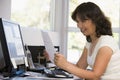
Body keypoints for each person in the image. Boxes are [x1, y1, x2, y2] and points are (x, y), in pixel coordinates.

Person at [54, 2, 120, 80]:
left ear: (95, 20)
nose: (79, 25)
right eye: (78, 22)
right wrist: (60, 62)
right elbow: (79, 67)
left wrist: (66, 65)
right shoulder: (90, 42)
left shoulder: (106, 43)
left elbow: (95, 75)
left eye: (83, 21)